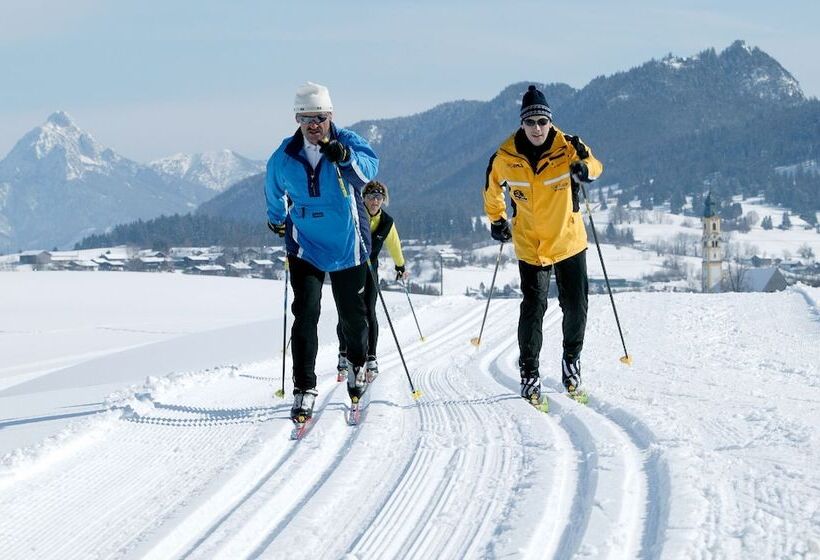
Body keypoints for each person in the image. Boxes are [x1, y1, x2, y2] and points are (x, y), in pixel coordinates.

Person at [265, 81, 379, 421]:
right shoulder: (284, 156)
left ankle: (357, 363)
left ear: (330, 115)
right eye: (305, 118)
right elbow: (273, 188)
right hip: (305, 245)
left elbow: (368, 173)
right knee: (305, 313)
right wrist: (276, 220)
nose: (313, 124)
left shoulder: (349, 142)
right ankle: (304, 387)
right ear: (297, 120)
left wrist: (343, 158)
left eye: (319, 117)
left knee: (353, 315)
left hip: (347, 244)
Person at [482, 84, 603, 403]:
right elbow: (492, 187)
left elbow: (595, 165)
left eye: (542, 121)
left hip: (568, 240)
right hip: (530, 243)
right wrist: (496, 219)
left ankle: (571, 361)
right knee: (533, 308)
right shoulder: (506, 155)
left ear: (550, 122)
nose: (537, 128)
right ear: (522, 123)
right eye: (530, 122)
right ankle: (529, 373)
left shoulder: (568, 146)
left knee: (576, 306)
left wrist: (583, 170)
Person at [336, 180, 407, 382]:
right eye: (370, 197)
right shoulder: (356, 216)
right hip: (350, 267)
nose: (374, 201)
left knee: (370, 310)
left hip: (370, 269)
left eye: (379, 197)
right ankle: (343, 352)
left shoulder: (386, 222)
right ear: (363, 199)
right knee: (348, 311)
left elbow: (394, 244)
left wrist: (400, 266)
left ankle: (372, 356)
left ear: (383, 200)